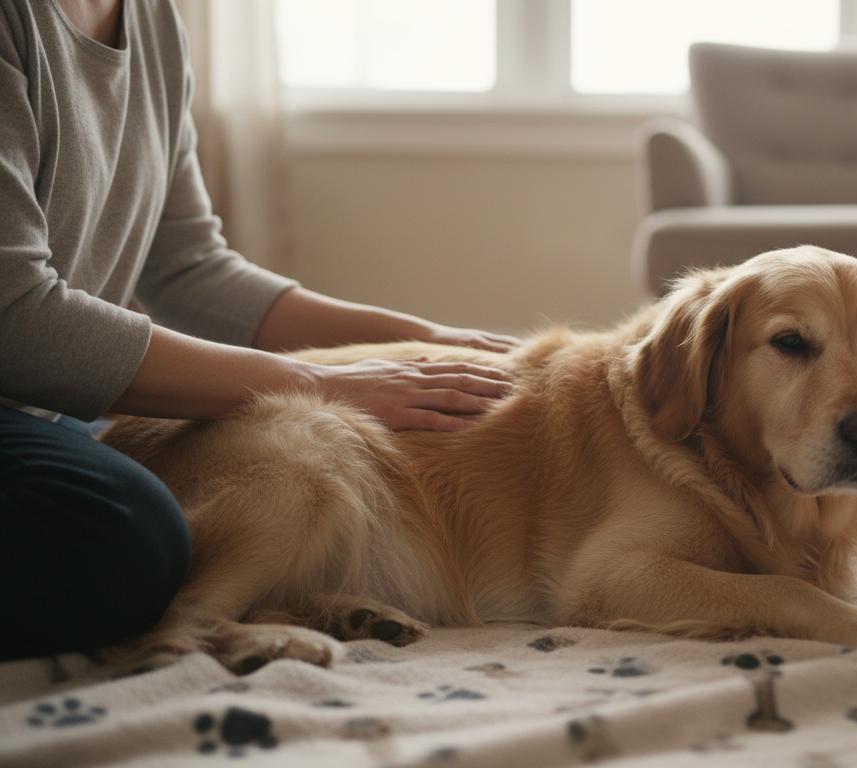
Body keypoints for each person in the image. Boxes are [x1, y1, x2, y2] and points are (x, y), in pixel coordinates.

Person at [0, 0, 519, 661]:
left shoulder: (152, 21)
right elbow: (16, 319)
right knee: (131, 537)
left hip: (40, 412)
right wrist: (323, 381)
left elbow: (191, 269)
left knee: (159, 515)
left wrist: (427, 338)